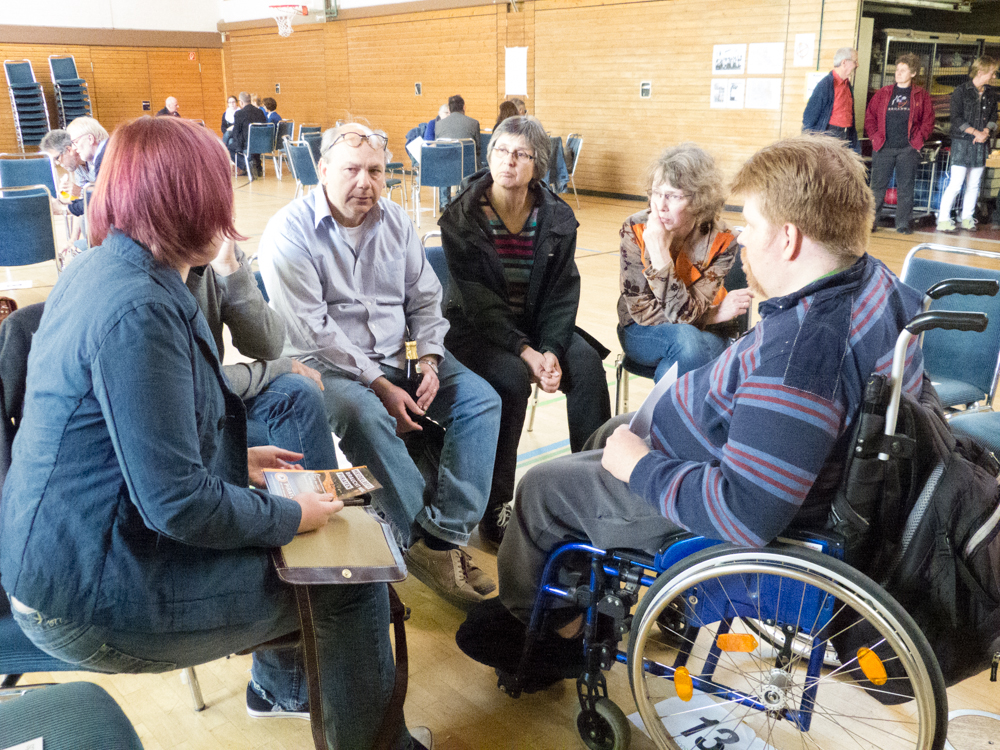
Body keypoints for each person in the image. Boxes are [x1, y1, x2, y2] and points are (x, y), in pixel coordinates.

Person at [0, 116, 430, 750]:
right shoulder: (139, 309)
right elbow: (175, 503)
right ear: (175, 204)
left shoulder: (106, 272)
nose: (228, 220)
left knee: (330, 551)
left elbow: (138, 443)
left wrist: (240, 461)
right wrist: (286, 514)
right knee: (350, 580)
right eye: (214, 198)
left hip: (77, 552)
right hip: (89, 592)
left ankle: (315, 700)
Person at [455, 134, 925, 686]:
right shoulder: (883, 288)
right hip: (721, 446)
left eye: (750, 223)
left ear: (791, 238)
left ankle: (547, 634)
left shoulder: (804, 355)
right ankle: (575, 587)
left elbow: (746, 513)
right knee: (607, 432)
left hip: (715, 493)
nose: (743, 237)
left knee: (541, 488)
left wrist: (639, 467)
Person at [258, 122, 503, 609]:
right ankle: (420, 536)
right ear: (323, 171)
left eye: (376, 171)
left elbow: (425, 299)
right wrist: (380, 384)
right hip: (322, 364)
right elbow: (313, 330)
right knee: (363, 414)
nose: (365, 182)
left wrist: (430, 358)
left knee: (481, 400)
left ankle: (439, 538)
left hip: (401, 353)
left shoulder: (396, 222)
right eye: (352, 170)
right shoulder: (288, 232)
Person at [439, 115, 612, 547]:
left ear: (538, 164)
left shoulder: (555, 217)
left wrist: (551, 348)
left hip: (537, 326)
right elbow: (478, 304)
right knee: (512, 379)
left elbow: (561, 293)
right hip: (476, 330)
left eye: (520, 154)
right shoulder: (462, 217)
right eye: (500, 150)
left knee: (587, 367)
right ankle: (497, 505)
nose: (508, 161)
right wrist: (527, 353)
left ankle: (600, 494)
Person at [617, 143, 752, 381]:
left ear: (699, 200)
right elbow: (641, 310)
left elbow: (685, 317)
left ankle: (660, 418)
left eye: (673, 196)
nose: (660, 206)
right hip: (642, 331)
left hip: (704, 334)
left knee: (682, 356)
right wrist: (711, 316)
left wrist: (698, 317)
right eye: (656, 193)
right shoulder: (634, 227)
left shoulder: (723, 241)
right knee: (690, 343)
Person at [865, 53, 935, 234]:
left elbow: (928, 121)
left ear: (913, 73)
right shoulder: (884, 93)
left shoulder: (921, 95)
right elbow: (870, 116)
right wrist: (874, 137)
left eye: (903, 70)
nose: (898, 73)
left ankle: (903, 223)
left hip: (908, 148)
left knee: (906, 187)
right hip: (883, 147)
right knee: (877, 187)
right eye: (897, 70)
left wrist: (918, 141)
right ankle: (871, 223)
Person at [936, 55, 999, 232]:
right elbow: (956, 119)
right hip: (962, 143)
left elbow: (994, 116)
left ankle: (967, 217)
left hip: (980, 144)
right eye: (992, 73)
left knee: (974, 183)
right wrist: (974, 132)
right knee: (956, 183)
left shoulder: (991, 95)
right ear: (981, 72)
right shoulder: (960, 91)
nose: (994, 77)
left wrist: (986, 132)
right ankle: (943, 219)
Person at [802, 47, 860, 150]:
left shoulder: (847, 85)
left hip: (846, 135)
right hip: (829, 135)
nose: (857, 65)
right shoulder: (825, 85)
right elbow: (809, 117)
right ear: (844, 62)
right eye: (855, 62)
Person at [435, 95, 481, 209]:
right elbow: (478, 147)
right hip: (467, 167)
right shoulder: (474, 123)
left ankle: (444, 202)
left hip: (447, 167)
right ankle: (467, 198)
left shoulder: (439, 124)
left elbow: (438, 148)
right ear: (464, 107)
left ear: (449, 109)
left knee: (444, 162)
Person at [230, 91, 268, 177]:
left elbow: (236, 132)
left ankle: (246, 165)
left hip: (246, 144)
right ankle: (256, 165)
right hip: (261, 143)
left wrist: (235, 140)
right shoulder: (260, 112)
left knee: (230, 147)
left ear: (241, 102)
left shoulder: (239, 113)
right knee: (252, 144)